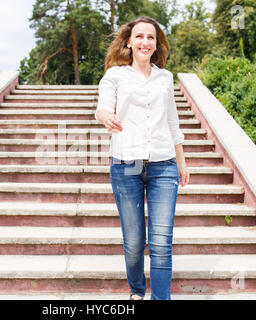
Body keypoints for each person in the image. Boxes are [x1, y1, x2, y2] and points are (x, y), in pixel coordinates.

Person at [95, 16, 190, 300]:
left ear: (156, 43)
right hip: (125, 165)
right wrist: (105, 116)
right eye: (139, 36)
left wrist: (181, 161)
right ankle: (137, 291)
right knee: (135, 241)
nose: (145, 42)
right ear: (128, 41)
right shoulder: (115, 76)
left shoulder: (165, 77)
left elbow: (173, 122)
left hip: (164, 166)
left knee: (161, 243)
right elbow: (101, 107)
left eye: (151, 37)